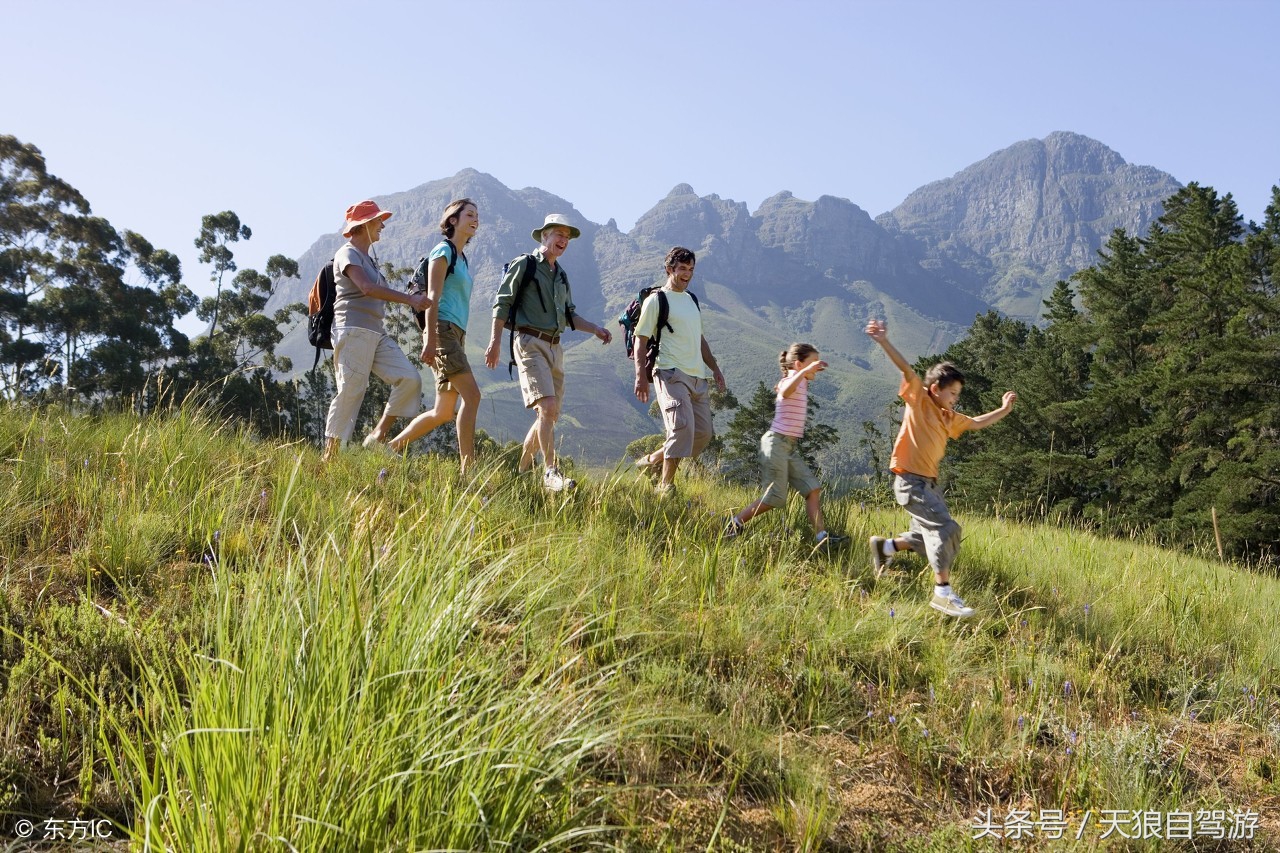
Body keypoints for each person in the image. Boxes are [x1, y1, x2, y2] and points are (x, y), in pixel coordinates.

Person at [864, 318, 1017, 618]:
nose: (956, 399)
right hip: (910, 482)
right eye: (953, 393)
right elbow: (906, 370)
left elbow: (976, 423)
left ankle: (885, 548)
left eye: (958, 394)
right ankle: (942, 593)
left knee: (925, 539)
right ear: (935, 388)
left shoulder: (948, 417)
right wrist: (883, 341)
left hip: (929, 485)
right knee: (946, 530)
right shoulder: (920, 400)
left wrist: (1004, 409)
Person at [484, 214, 612, 491]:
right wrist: (494, 343)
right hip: (529, 342)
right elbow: (502, 303)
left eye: (567, 236)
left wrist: (595, 329)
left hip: (555, 347)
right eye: (558, 234)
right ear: (544, 236)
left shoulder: (561, 275)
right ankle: (550, 472)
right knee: (548, 407)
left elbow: (569, 315)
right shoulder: (525, 264)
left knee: (548, 415)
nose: (563, 240)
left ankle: (519, 473)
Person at [322, 200, 431, 462]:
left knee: (409, 378)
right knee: (351, 391)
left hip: (375, 333)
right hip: (352, 330)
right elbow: (366, 288)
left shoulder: (368, 259)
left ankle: (377, 437)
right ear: (362, 225)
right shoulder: (347, 253)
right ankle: (329, 458)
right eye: (377, 220)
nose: (382, 225)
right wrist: (411, 300)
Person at [387, 199, 481, 472]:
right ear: (453, 220)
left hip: (456, 333)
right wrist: (430, 340)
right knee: (472, 396)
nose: (475, 219)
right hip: (442, 330)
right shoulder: (443, 251)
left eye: (477, 216)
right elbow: (432, 298)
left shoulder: (462, 258)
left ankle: (390, 448)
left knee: (443, 411)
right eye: (469, 214)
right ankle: (468, 469)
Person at [722, 343, 847, 548]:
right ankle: (734, 524)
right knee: (775, 498)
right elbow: (786, 391)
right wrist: (804, 371)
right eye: (813, 362)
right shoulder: (789, 381)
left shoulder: (801, 380)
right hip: (775, 444)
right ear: (798, 364)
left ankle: (821, 538)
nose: (816, 366)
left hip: (787, 447)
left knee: (812, 489)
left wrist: (808, 370)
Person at [632, 246, 726, 496]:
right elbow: (640, 339)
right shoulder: (657, 300)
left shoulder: (691, 300)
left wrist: (715, 368)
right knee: (681, 428)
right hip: (670, 372)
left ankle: (652, 461)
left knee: (702, 434)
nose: (687, 274)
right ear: (669, 269)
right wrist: (640, 376)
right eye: (682, 269)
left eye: (691, 269)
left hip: (698, 378)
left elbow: (699, 338)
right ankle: (666, 487)